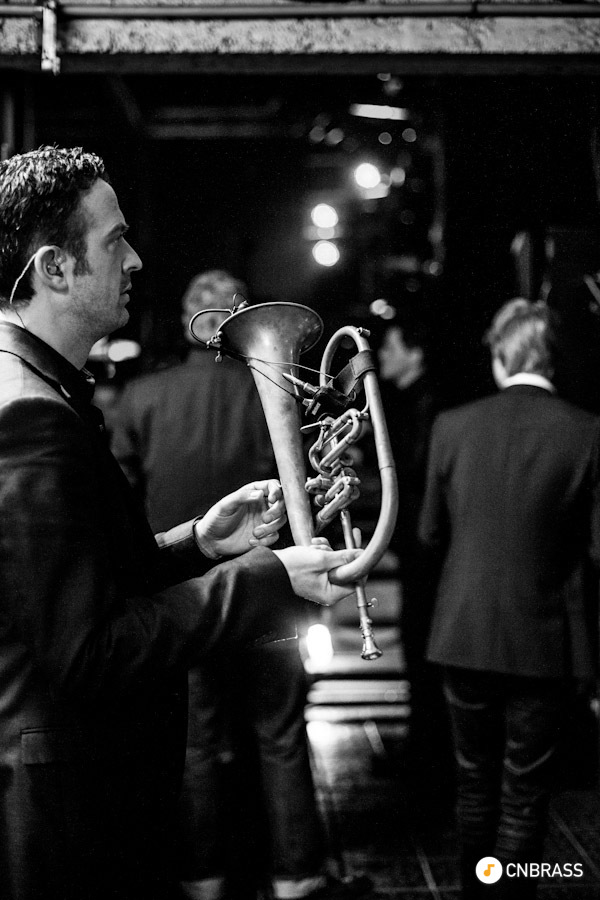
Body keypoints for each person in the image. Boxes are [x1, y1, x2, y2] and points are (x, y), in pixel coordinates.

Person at [0, 146, 361, 900]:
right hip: (63, 811)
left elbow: (87, 579)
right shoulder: (29, 411)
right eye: (114, 241)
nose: (134, 260)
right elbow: (88, 648)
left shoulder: (38, 386)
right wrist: (268, 576)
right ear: (54, 269)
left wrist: (199, 541)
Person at [113, 271, 362, 900]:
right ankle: (297, 876)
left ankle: (202, 877)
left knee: (197, 741)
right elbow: (303, 483)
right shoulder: (269, 391)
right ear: (238, 318)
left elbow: (124, 513)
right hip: (272, 587)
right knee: (280, 734)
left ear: (189, 322)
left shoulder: (142, 396)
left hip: (184, 593)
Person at [418, 298, 600, 899]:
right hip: (543, 637)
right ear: (551, 358)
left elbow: (428, 534)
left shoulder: (451, 425)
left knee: (473, 784)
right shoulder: (587, 431)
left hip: (463, 629)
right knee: (525, 794)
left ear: (500, 354)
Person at [377, 318, 451, 806]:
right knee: (418, 646)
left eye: (391, 346)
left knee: (422, 646)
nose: (383, 355)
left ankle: (428, 758)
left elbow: (417, 474)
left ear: (415, 353)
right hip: (420, 547)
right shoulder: (414, 401)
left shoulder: (426, 405)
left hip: (427, 550)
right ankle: (423, 750)